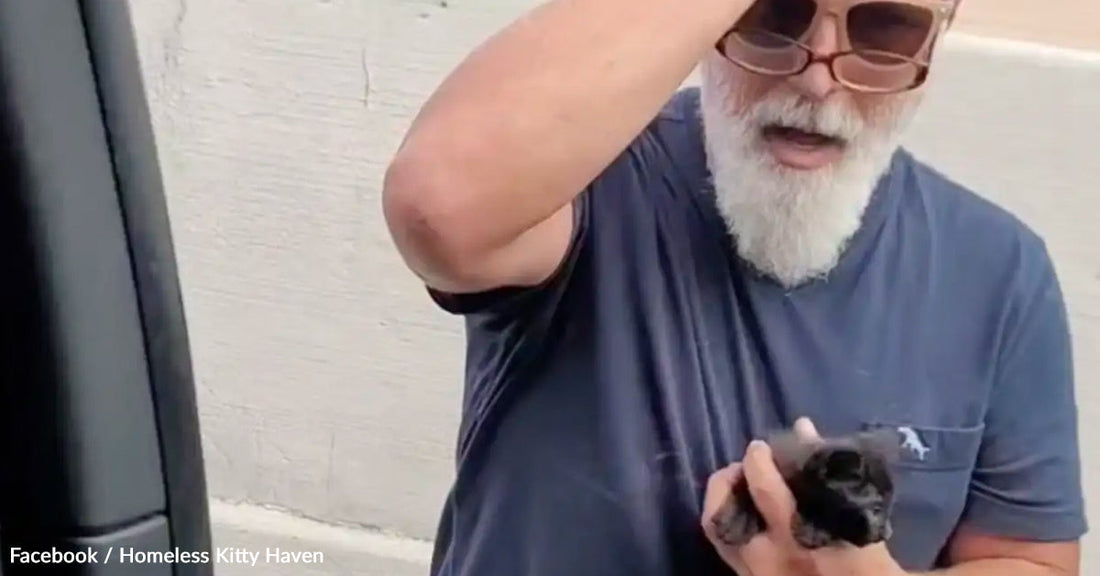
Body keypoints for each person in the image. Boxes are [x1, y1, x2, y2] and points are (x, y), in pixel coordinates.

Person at [382, 0, 1088, 573]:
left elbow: (1030, 560)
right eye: (774, 15)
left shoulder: (999, 269)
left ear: (936, 38)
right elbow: (439, 205)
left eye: (884, 28)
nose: (818, 80)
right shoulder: (589, 183)